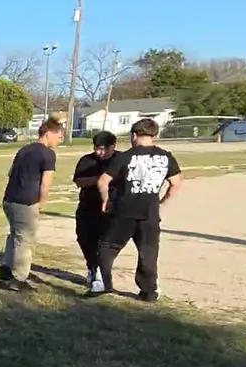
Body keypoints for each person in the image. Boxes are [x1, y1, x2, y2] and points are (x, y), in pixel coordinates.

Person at [92, 117, 184, 301]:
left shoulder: (125, 157)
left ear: (134, 135)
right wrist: (161, 202)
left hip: (124, 211)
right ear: (154, 135)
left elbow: (103, 181)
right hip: (149, 212)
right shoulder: (166, 157)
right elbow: (176, 183)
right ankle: (150, 290)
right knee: (148, 251)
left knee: (108, 246)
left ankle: (103, 283)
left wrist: (106, 200)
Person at [0, 117, 64, 292]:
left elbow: (10, 173)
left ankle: (5, 271)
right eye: (59, 136)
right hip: (26, 202)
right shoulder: (48, 154)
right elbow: (46, 183)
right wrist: (41, 203)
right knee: (25, 240)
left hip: (9, 199)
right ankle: (18, 278)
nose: (60, 140)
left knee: (14, 235)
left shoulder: (24, 150)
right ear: (48, 134)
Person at [71, 130, 119, 292]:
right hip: (88, 206)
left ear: (113, 146)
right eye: (96, 148)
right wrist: (102, 180)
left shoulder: (120, 160)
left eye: (103, 149)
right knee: (84, 238)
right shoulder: (87, 160)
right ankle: (92, 267)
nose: (99, 152)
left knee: (105, 243)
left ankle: (101, 273)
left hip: (112, 208)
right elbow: (79, 181)